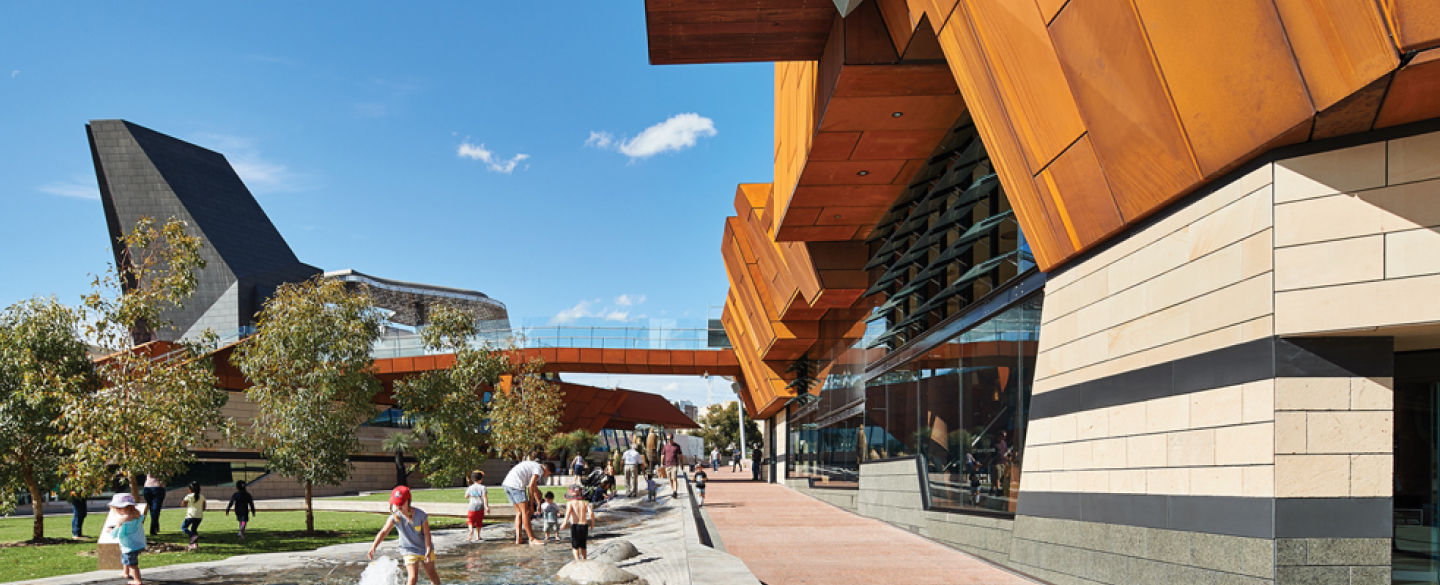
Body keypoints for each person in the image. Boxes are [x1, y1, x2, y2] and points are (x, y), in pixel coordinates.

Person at [367, 486, 441, 585]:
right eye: (396, 504)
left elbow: (427, 534)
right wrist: (374, 546)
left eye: (401, 503)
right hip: (409, 549)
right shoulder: (395, 517)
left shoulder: (420, 515)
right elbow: (384, 532)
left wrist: (428, 550)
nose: (399, 506)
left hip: (425, 548)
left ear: (408, 501)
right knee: (413, 577)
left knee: (431, 574)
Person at [500, 453, 550, 545]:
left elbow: (534, 488)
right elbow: (531, 486)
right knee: (526, 512)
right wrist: (531, 505)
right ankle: (531, 538)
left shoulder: (534, 465)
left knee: (519, 512)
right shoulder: (539, 470)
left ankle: (518, 538)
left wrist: (538, 503)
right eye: (548, 474)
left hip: (507, 484)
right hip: (516, 485)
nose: (546, 476)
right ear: (547, 470)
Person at [108, 493, 146, 585]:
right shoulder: (137, 517)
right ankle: (126, 573)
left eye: (120, 508)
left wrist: (111, 530)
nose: (117, 509)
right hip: (137, 543)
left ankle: (137, 580)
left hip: (129, 546)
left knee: (132, 564)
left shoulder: (123, 521)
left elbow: (117, 534)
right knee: (125, 558)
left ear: (129, 507)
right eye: (116, 507)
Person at [560, 485, 595, 561]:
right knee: (583, 545)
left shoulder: (570, 503)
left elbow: (568, 513)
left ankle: (577, 560)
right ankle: (584, 559)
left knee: (575, 545)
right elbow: (591, 513)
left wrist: (564, 523)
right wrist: (592, 524)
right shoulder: (585, 503)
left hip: (575, 526)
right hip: (584, 525)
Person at [464, 470, 489, 543]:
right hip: (480, 506)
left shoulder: (470, 488)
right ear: (481, 479)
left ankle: (471, 530)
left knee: (470, 520)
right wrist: (486, 507)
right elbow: (485, 497)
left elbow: (466, 496)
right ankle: (478, 536)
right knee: (479, 521)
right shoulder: (483, 487)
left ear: (472, 479)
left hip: (471, 506)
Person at [179, 482, 205, 550]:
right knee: (194, 529)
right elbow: (204, 507)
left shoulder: (189, 496)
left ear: (190, 489)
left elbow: (182, 504)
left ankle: (192, 536)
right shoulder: (202, 496)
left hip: (190, 515)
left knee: (184, 527)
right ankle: (194, 544)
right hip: (199, 516)